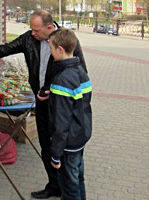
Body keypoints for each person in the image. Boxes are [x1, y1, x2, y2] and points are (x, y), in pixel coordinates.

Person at [0, 10, 86, 199]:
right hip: (40, 103)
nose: (32, 33)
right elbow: (3, 49)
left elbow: (80, 72)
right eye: (31, 29)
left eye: (36, 30)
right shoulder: (29, 39)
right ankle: (54, 185)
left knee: (62, 148)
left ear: (50, 28)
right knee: (46, 147)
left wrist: (53, 89)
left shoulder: (66, 41)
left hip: (60, 104)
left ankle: (68, 189)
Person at [48, 28, 92, 200]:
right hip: (80, 137)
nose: (50, 53)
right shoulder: (81, 72)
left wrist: (55, 154)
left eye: (51, 48)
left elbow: (61, 122)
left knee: (68, 186)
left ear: (60, 49)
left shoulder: (62, 79)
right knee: (78, 178)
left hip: (67, 144)